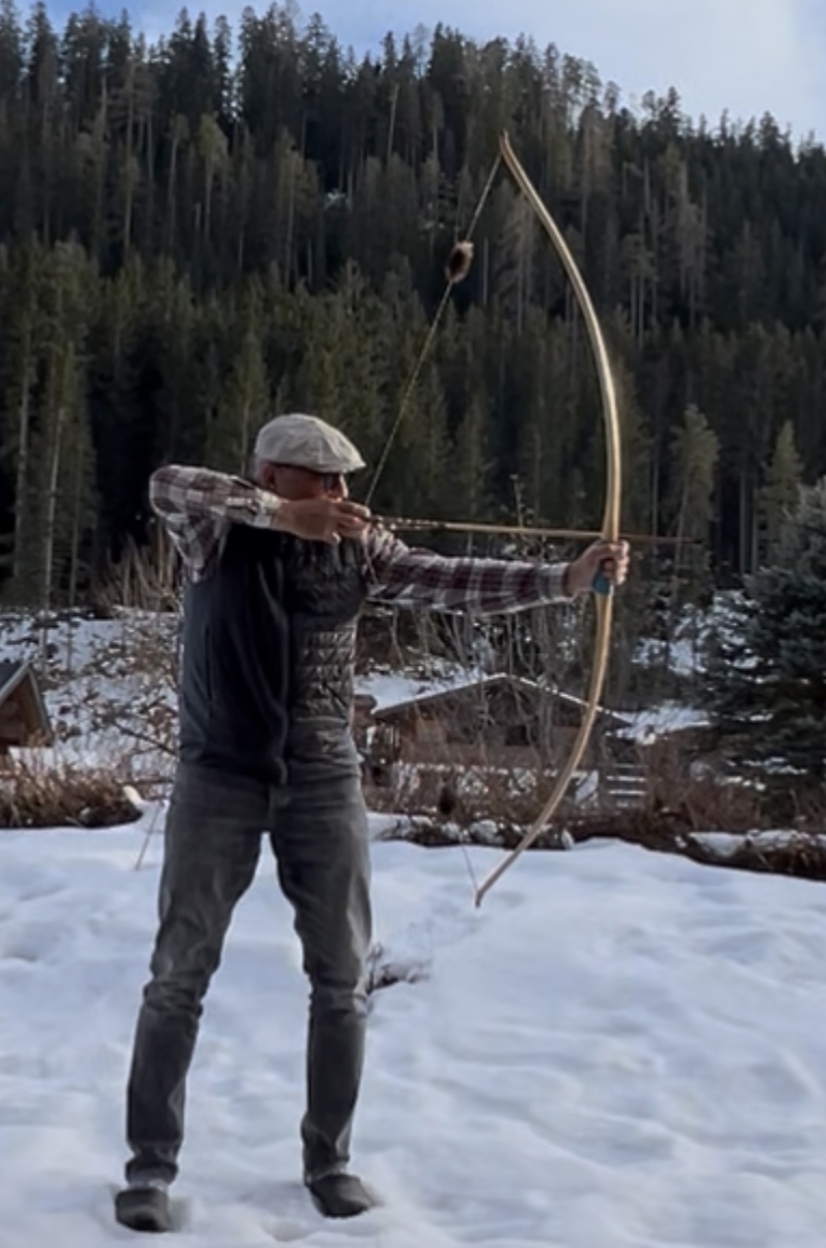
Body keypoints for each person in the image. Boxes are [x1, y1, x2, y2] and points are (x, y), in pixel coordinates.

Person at [115, 412, 629, 1233]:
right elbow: (167, 483)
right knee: (179, 974)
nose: (340, 492)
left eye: (345, 480)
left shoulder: (360, 546)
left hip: (322, 776)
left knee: (342, 979)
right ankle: (149, 1168)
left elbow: (451, 579)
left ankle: (330, 1161)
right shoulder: (214, 534)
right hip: (220, 774)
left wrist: (564, 580)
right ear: (273, 474)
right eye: (323, 479)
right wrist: (283, 518)